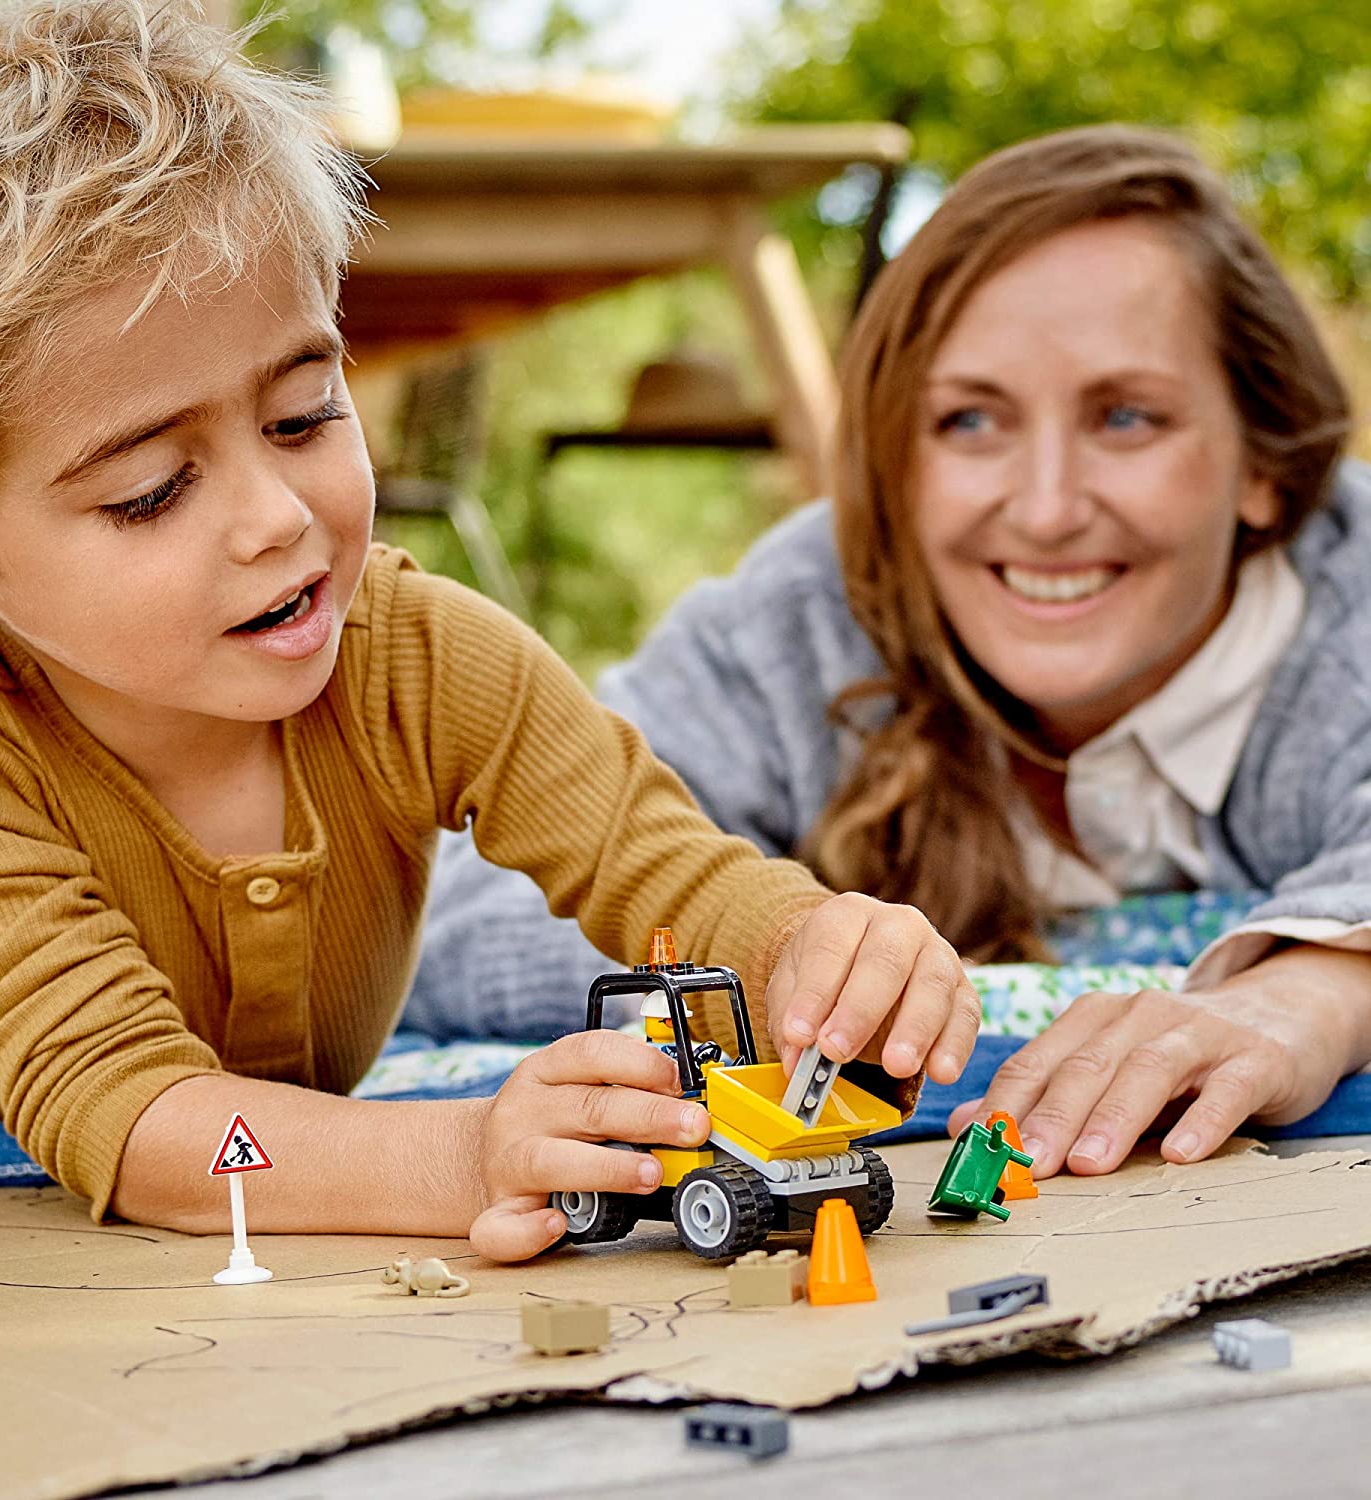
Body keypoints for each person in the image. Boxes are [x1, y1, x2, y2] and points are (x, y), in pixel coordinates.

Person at [0, 0, 979, 1263]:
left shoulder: (421, 656)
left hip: (263, 1187)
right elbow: (128, 1116)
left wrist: (813, 947)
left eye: (301, 415)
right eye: (151, 492)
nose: (277, 520)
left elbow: (670, 870)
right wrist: (461, 1152)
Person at [410, 123, 1371, 1183]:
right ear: (896, 463)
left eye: (1128, 417)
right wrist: (785, 953)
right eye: (969, 422)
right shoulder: (802, 619)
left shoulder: (1347, 598)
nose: (1046, 509)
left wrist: (1313, 995)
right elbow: (467, 898)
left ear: (1266, 463)